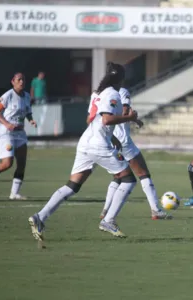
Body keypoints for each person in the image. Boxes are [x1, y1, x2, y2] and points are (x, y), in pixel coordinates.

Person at [28, 62, 139, 241]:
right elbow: (106, 120)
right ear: (121, 78)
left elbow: (95, 120)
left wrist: (114, 138)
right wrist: (129, 118)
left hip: (86, 142)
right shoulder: (112, 94)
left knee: (72, 186)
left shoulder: (100, 93)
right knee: (128, 180)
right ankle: (108, 220)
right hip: (98, 145)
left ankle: (40, 217)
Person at [88, 86, 171, 220]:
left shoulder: (98, 93)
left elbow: (93, 117)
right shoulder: (121, 91)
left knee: (118, 177)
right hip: (123, 141)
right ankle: (155, 210)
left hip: (107, 140)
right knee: (143, 173)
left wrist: (135, 120)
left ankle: (105, 210)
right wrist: (133, 116)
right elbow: (125, 111)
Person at [0, 72, 37, 199]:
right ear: (13, 81)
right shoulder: (8, 96)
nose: (22, 82)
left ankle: (14, 193)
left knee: (22, 164)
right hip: (7, 133)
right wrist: (7, 124)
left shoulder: (27, 96)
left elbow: (27, 112)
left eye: (23, 79)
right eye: (19, 79)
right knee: (7, 163)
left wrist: (31, 119)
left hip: (20, 133)